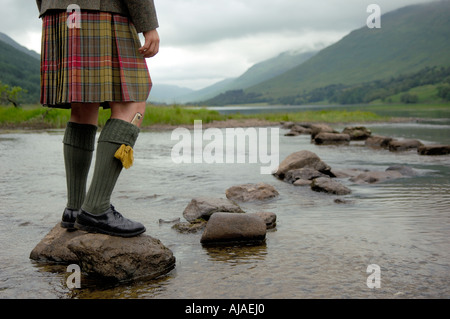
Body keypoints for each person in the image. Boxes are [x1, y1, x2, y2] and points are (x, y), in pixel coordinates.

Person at [35, 0, 160, 237]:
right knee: (133, 101)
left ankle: (75, 209)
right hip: (102, 9)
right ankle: (96, 210)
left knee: (83, 103)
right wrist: (148, 24)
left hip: (60, 12)